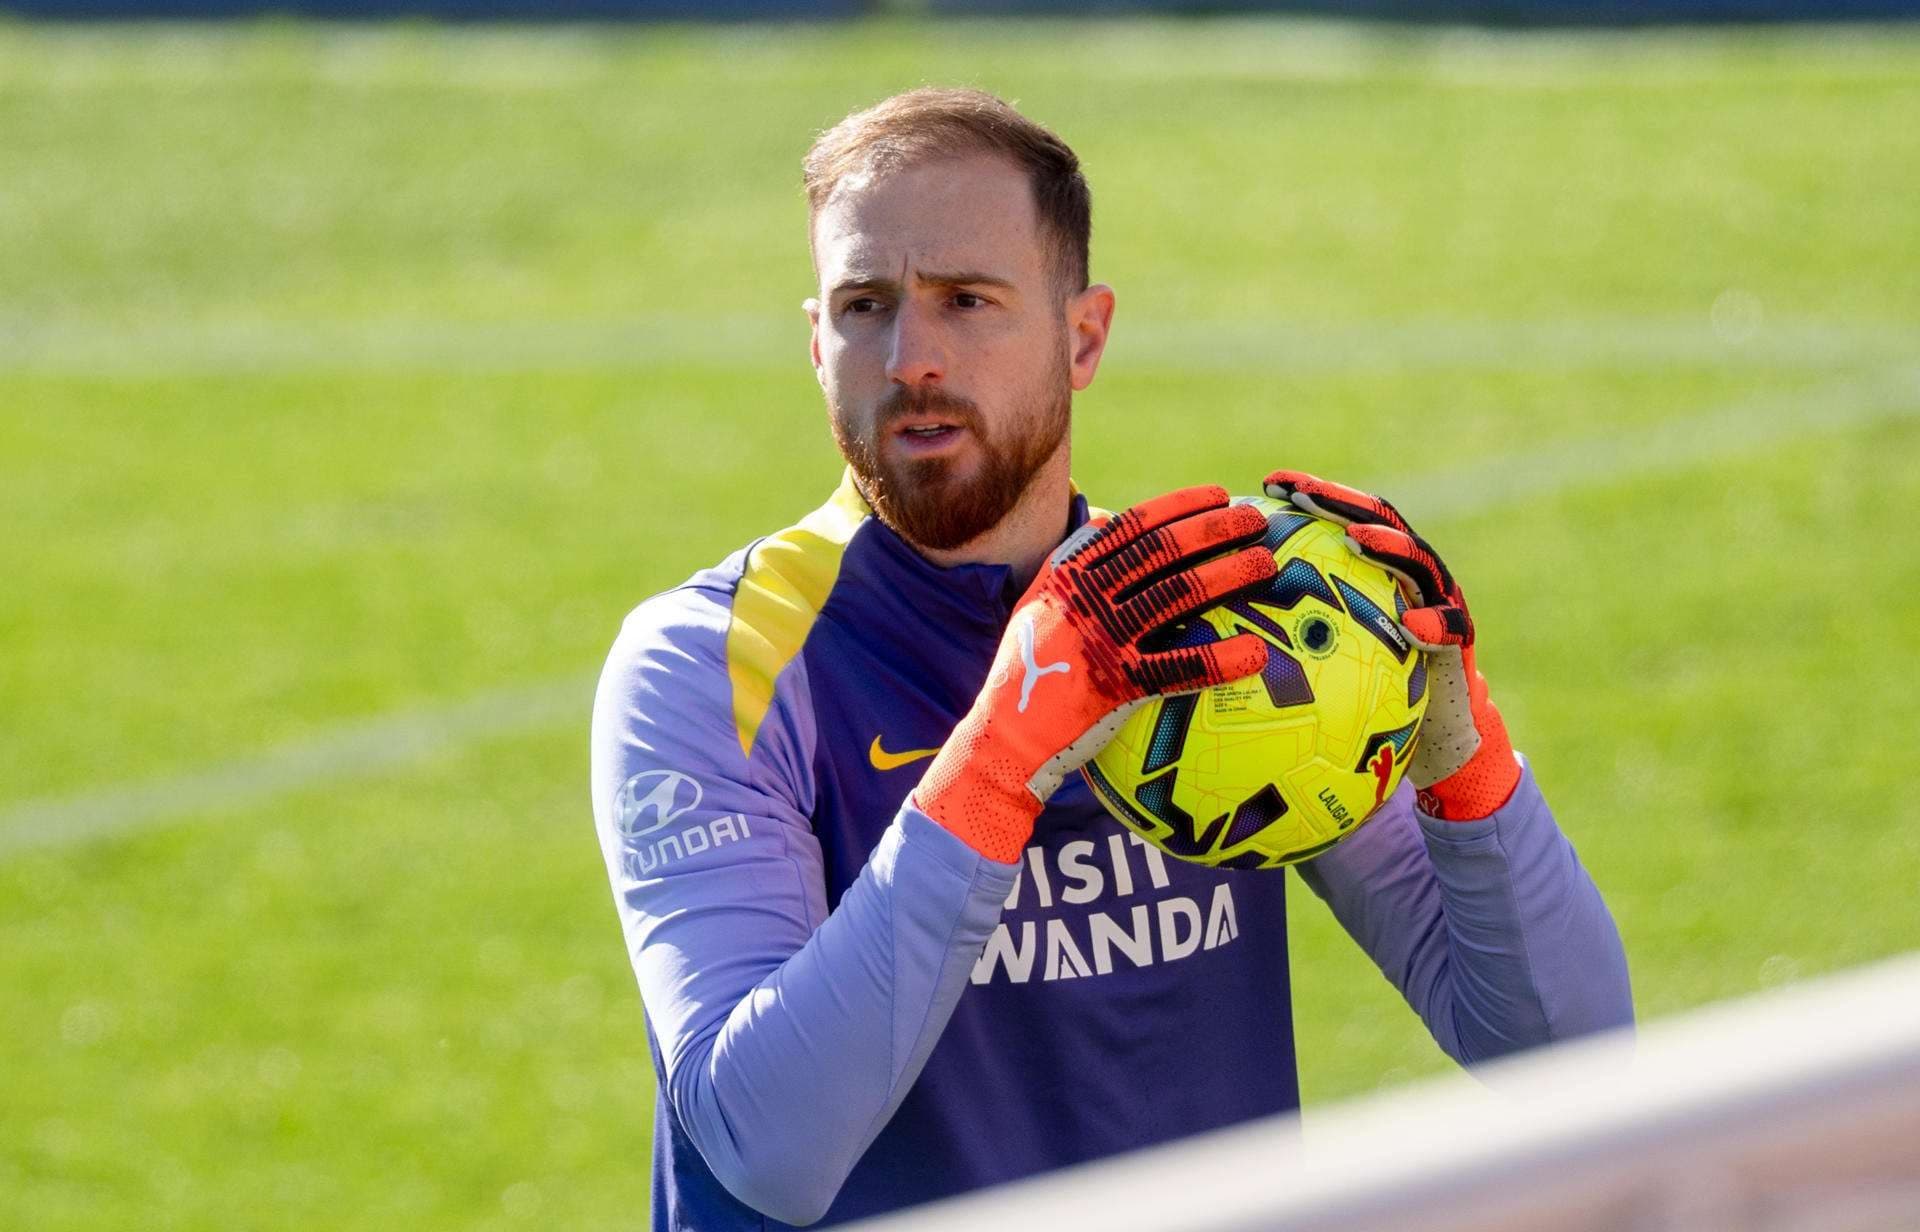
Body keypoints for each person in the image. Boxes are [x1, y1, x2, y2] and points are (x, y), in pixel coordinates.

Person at [590, 87, 1633, 1231]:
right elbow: (760, 1147)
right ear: (815, 341)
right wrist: (1003, 750)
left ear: (1082, 336)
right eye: (864, 305)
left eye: (967, 300)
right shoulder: (711, 662)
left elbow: (1566, 1056)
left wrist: (1460, 753)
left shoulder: (1222, 628)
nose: (911, 356)